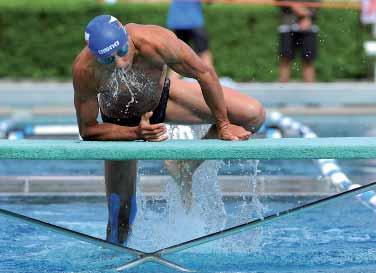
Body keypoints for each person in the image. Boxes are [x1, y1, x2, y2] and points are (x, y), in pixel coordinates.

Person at [72, 15, 265, 245]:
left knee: (252, 115)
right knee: (119, 218)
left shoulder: (156, 41)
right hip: (119, 125)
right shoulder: (85, 69)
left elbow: (203, 73)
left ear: (126, 37)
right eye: (108, 60)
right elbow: (88, 129)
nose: (120, 63)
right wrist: (135, 134)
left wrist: (223, 125)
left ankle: (185, 165)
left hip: (163, 99)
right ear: (94, 55)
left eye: (122, 50)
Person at [167, 0, 213, 79]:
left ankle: (169, 85)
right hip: (194, 22)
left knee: (178, 58)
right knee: (204, 55)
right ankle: (213, 84)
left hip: (177, 23)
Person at [278, 0, 319, 82]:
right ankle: (282, 88)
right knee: (285, 58)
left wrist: (306, 16)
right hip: (287, 25)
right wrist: (294, 6)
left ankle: (310, 91)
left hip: (309, 26)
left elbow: (317, 3)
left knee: (308, 59)